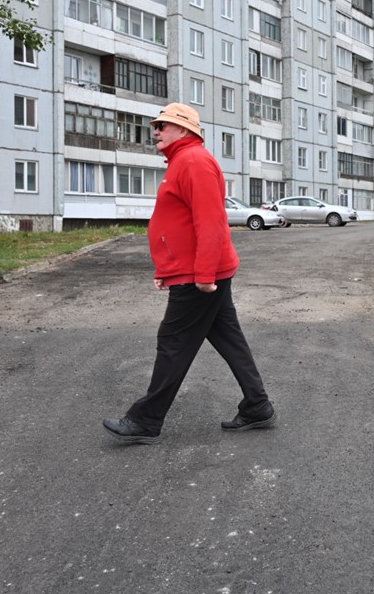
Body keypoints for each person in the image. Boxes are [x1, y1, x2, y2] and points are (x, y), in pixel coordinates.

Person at [104, 103, 276, 444]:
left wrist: (204, 273)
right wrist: (167, 269)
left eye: (163, 125)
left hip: (200, 276)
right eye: (155, 124)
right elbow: (179, 224)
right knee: (229, 339)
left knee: (173, 343)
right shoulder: (183, 161)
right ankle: (257, 406)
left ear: (184, 130)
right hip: (192, 271)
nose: (155, 130)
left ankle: (145, 419)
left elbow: (211, 222)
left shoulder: (194, 161)